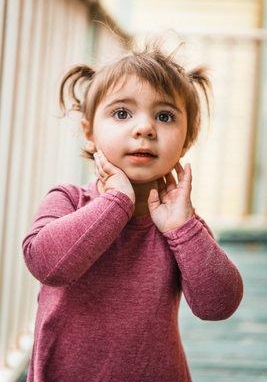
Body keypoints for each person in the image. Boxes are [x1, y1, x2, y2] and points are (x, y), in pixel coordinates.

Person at [22, 38, 244, 382]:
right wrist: (116, 202)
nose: (144, 128)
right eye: (122, 113)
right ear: (89, 133)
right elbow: (46, 264)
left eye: (165, 116)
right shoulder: (66, 200)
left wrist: (182, 229)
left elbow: (218, 305)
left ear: (186, 140)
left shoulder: (180, 224)